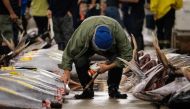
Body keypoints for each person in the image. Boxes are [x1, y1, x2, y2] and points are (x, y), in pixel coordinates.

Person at [60, 16, 132, 99]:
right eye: (99, 50)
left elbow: (127, 56)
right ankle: (87, 90)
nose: (101, 53)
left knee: (118, 58)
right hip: (88, 41)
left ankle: (113, 89)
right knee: (79, 59)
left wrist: (107, 66)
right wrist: (66, 72)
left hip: (112, 49)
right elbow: (68, 53)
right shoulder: (82, 34)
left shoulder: (118, 32)